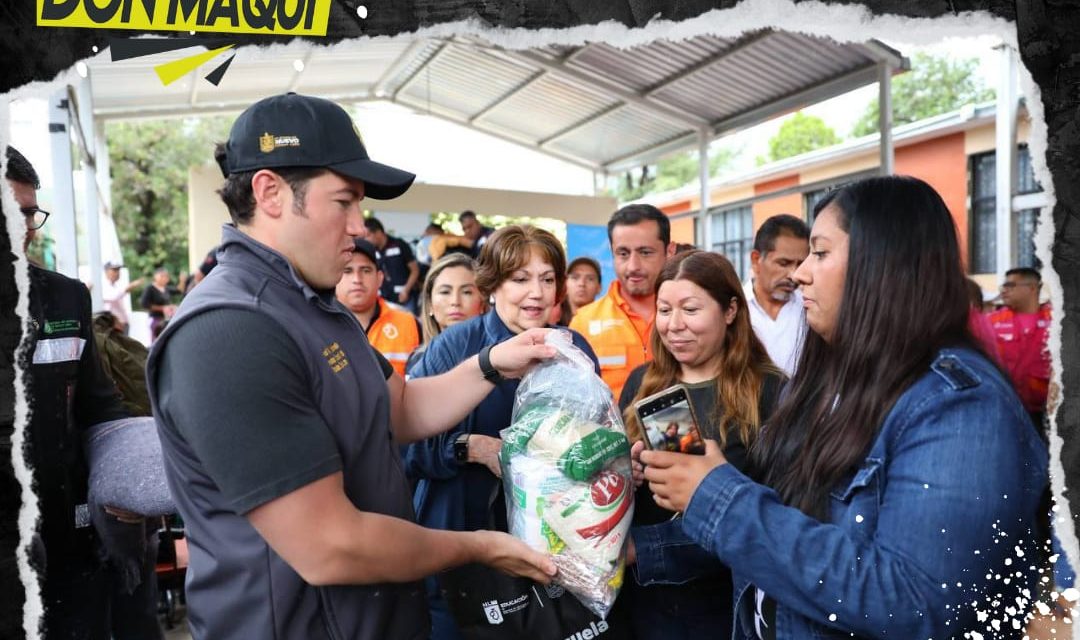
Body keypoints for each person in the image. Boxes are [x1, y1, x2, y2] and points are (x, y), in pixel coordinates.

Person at [145, 93, 557, 640]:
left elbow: (401, 408)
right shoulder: (229, 330)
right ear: (270, 192)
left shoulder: (316, 305)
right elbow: (331, 547)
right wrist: (479, 547)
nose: (360, 226)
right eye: (344, 201)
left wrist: (492, 363)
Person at [640, 176, 1048, 639]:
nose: (800, 274)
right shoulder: (832, 381)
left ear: (882, 264)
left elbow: (916, 601)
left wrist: (719, 498)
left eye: (820, 252)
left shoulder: (958, 408)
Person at [404, 224, 600, 640]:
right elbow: (402, 445)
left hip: (554, 551)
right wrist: (469, 448)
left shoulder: (572, 349)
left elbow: (597, 432)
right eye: (520, 279)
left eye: (547, 279)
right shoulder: (455, 348)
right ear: (491, 286)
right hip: (462, 550)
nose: (537, 293)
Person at [5, 145, 162, 639]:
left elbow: (101, 411)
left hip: (70, 544)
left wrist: (146, 476)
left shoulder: (66, 297)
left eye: (30, 213)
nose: (25, 228)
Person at [619, 250, 786, 640]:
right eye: (664, 310)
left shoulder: (772, 392)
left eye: (691, 309)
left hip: (724, 607)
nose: (674, 325)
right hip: (642, 603)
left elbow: (774, 515)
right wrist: (626, 471)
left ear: (730, 312)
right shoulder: (643, 383)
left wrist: (640, 549)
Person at [570, 204, 675, 401]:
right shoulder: (583, 322)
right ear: (612, 252)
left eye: (645, 252)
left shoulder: (688, 316)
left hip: (677, 430)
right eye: (623, 253)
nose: (633, 266)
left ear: (669, 251)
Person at [335, 237, 421, 377]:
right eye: (347, 271)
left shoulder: (409, 323)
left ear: (379, 278)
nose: (357, 279)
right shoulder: (315, 327)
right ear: (334, 277)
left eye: (366, 270)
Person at [744, 214, 810, 376]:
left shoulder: (811, 308)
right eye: (784, 263)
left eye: (800, 264)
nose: (793, 275)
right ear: (756, 259)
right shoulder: (734, 310)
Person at [988, 267, 1052, 431]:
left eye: (1011, 285)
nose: (1004, 290)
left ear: (1032, 288)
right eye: (1004, 286)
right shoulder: (991, 322)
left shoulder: (1058, 321)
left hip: (1047, 415)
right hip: (1003, 410)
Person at [406, 252, 485, 375]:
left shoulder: (500, 359)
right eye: (445, 292)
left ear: (482, 303)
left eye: (467, 292)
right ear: (430, 304)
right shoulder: (419, 361)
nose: (455, 302)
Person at [364, 216, 421, 312]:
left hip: (404, 299)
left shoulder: (399, 245)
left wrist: (406, 290)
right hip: (383, 299)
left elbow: (415, 270)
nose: (365, 239)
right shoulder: (372, 251)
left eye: (368, 235)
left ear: (378, 233)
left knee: (409, 324)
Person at [100, 261, 144, 334]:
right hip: (112, 324)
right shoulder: (103, 285)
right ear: (106, 272)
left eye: (118, 270)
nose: (117, 273)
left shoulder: (115, 286)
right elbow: (113, 297)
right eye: (114, 270)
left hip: (121, 323)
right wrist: (128, 287)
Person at [139, 267, 177, 341]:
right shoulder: (150, 288)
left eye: (166, 276)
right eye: (162, 276)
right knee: (157, 340)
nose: (164, 278)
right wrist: (162, 308)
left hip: (166, 319)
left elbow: (179, 291)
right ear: (155, 276)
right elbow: (144, 304)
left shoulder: (166, 288)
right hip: (155, 319)